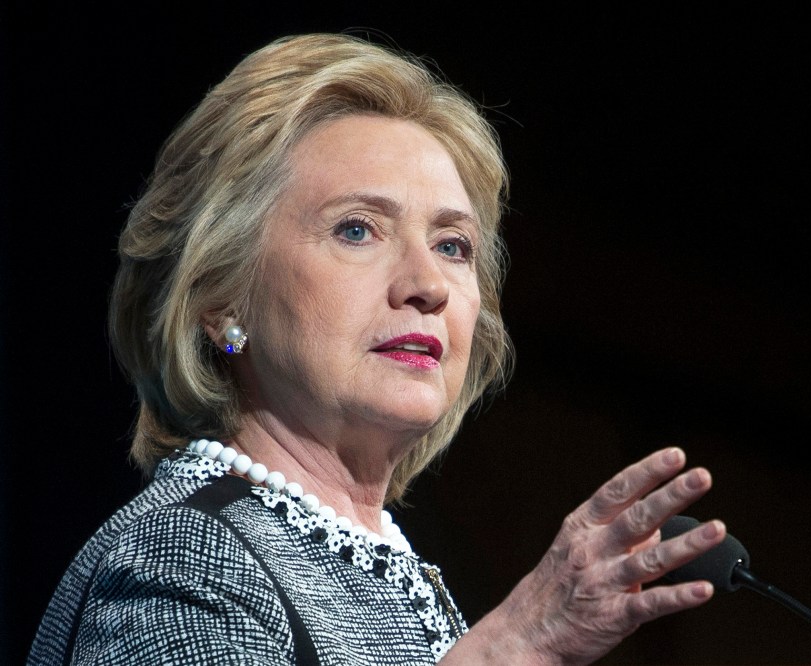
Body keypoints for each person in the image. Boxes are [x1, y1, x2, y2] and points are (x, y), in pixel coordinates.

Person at [28, 32, 727, 665]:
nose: (429, 286)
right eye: (357, 230)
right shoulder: (186, 557)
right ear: (221, 299)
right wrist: (509, 653)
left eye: (452, 245)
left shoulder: (388, 576)